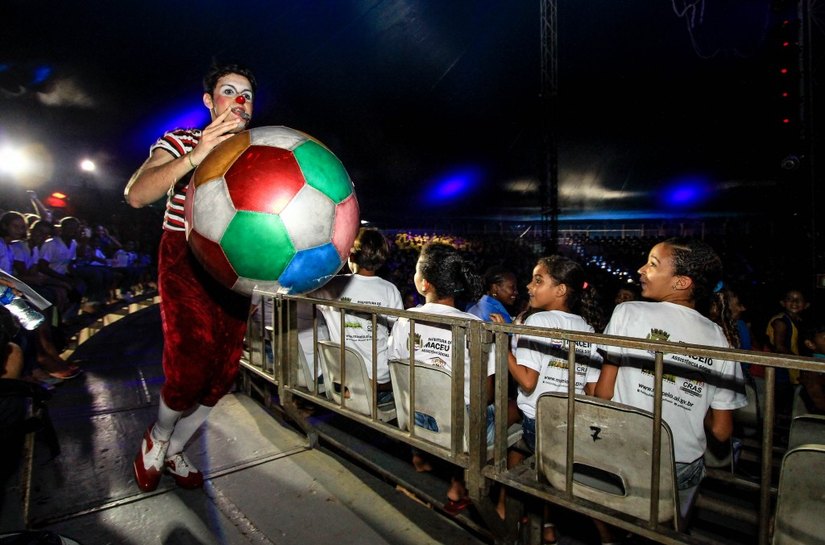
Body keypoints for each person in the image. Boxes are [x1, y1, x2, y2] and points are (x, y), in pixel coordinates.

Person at [124, 62, 256, 492]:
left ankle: (177, 448)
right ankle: (158, 438)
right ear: (208, 100)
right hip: (185, 257)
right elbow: (137, 194)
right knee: (188, 363)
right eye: (229, 91)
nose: (239, 100)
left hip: (234, 267)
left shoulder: (259, 148)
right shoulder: (182, 139)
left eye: (247, 94)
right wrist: (196, 155)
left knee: (223, 374)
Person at [594, 237, 747, 523]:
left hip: (627, 451)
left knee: (609, 510)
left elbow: (604, 393)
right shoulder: (719, 338)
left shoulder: (628, 312)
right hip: (680, 464)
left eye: (652, 264)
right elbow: (723, 431)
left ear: (681, 282)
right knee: (664, 525)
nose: (641, 269)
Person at [388, 242, 517, 514]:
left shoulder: (404, 320)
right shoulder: (477, 328)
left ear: (424, 284)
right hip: (461, 429)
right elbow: (487, 396)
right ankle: (492, 494)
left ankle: (455, 481)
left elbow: (397, 371)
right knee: (514, 407)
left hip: (415, 416)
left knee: (454, 404)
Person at [499, 255, 604, 543]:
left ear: (560, 290)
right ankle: (545, 523)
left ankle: (506, 512)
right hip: (571, 423)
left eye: (538, 280)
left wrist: (502, 345)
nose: (529, 286)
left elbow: (528, 381)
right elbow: (592, 391)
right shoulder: (587, 328)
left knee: (510, 437)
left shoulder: (539, 321)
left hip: (539, 424)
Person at [313, 228, 403, 405]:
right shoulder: (389, 290)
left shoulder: (332, 286)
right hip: (379, 380)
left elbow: (303, 291)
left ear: (350, 255)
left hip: (342, 379)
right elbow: (398, 330)